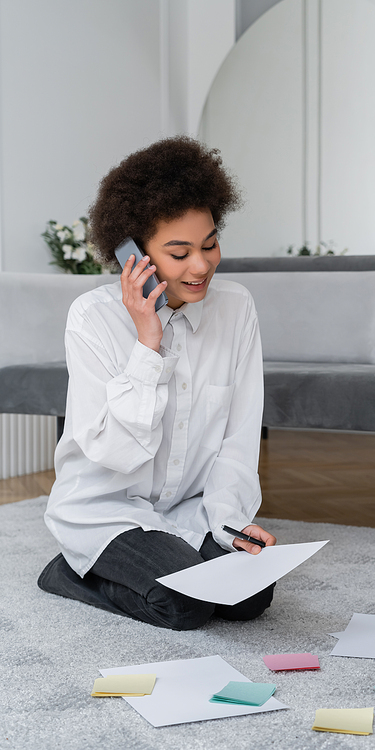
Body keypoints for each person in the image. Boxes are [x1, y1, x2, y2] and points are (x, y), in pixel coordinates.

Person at [38, 136, 276, 630]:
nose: (201, 265)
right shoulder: (92, 320)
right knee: (183, 605)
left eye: (210, 243)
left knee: (250, 598)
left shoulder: (237, 309)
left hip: (187, 510)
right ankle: (69, 571)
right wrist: (149, 343)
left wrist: (229, 525)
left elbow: (238, 442)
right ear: (132, 256)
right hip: (107, 510)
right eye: (179, 251)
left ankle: (167, 559)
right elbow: (117, 455)